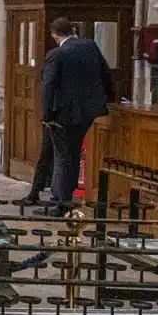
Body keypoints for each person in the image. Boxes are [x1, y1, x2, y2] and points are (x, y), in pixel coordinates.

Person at [40, 17, 115, 208]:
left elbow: (48, 86)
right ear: (72, 30)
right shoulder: (90, 46)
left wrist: (46, 116)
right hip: (89, 112)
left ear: (54, 35)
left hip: (64, 114)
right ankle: (68, 195)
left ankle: (59, 202)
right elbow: (105, 74)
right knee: (72, 153)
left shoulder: (56, 54)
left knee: (63, 156)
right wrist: (111, 99)